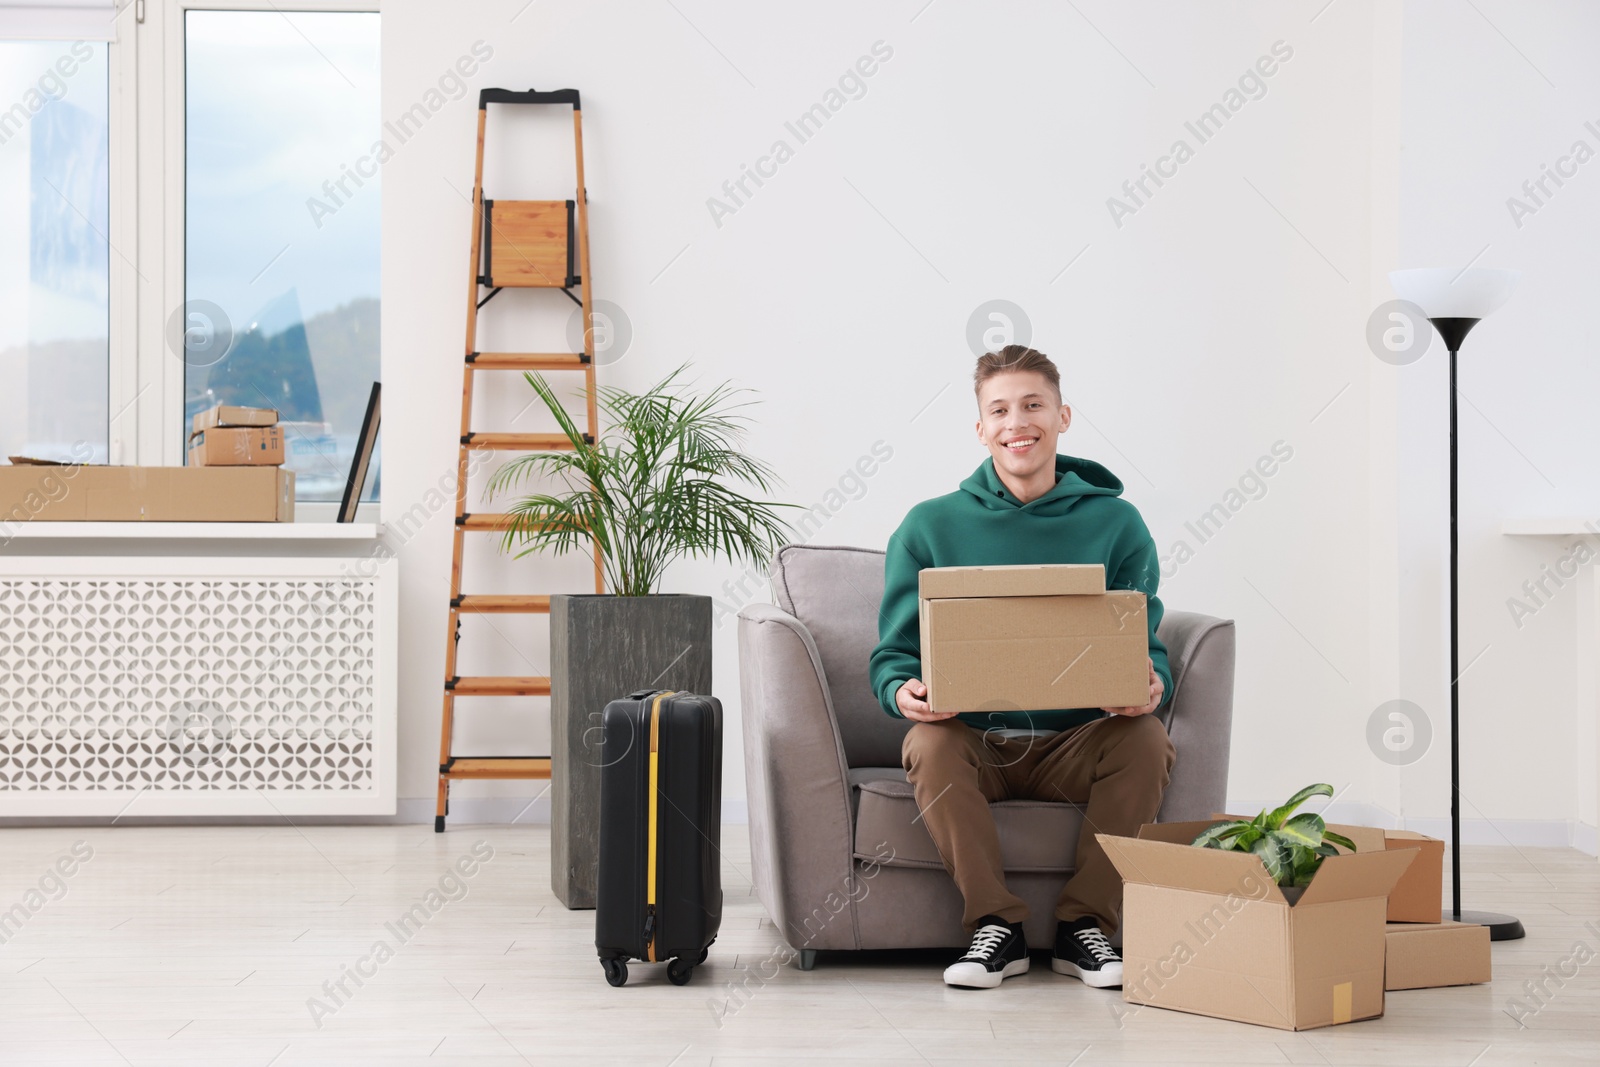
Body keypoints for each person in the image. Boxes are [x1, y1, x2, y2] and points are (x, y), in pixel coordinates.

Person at [867, 344, 1176, 990]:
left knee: (1147, 738)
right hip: (976, 738)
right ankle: (995, 926)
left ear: (1063, 416)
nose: (1018, 422)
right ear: (980, 429)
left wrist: (1150, 682)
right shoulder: (927, 527)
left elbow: (1146, 641)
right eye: (1000, 409)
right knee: (927, 741)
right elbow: (892, 656)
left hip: (1078, 739)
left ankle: (1083, 925)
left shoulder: (1117, 524)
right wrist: (905, 691)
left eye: (1033, 405)